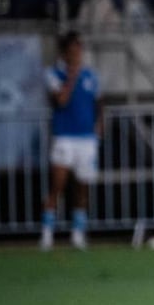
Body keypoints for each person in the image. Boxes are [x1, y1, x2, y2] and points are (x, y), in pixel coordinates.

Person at [40, 31, 102, 251]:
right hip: (64, 137)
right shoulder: (54, 74)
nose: (77, 55)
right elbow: (62, 100)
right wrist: (72, 75)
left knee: (82, 187)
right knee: (57, 185)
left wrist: (99, 125)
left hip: (86, 139)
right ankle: (47, 234)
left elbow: (98, 102)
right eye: (73, 51)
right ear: (65, 53)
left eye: (79, 50)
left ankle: (78, 234)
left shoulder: (91, 75)